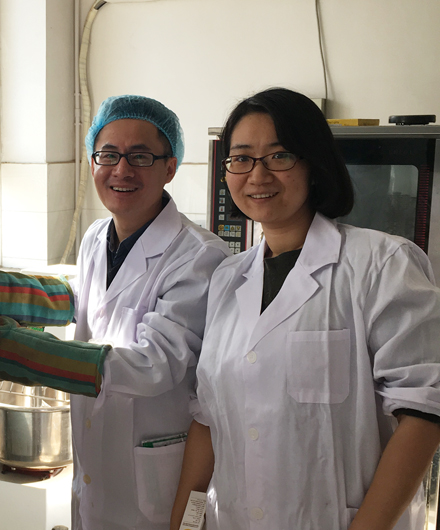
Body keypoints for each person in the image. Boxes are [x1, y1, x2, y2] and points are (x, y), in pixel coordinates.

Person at [0, 95, 231, 530]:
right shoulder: (97, 237)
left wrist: (23, 354)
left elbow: (155, 364)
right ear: (92, 160)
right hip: (93, 474)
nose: (121, 170)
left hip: (153, 487)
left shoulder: (200, 256)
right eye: (108, 154)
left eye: (140, 156)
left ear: (170, 168)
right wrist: (18, 294)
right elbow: (89, 301)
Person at [170, 88, 440, 530]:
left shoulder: (382, 264)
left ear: (314, 164)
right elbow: (207, 420)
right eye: (242, 158)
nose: (258, 175)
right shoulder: (227, 279)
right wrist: (184, 524)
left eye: (279, 156)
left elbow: (424, 414)